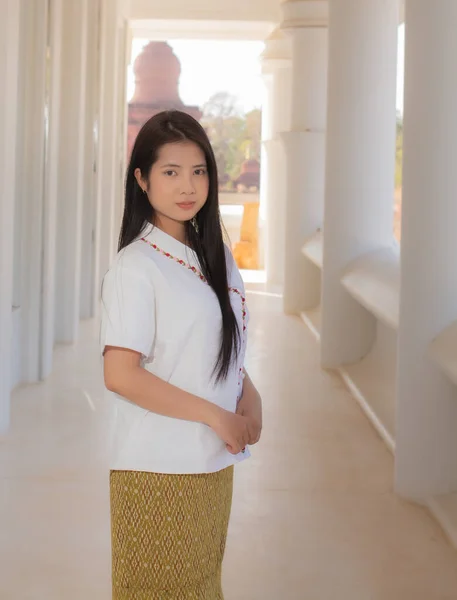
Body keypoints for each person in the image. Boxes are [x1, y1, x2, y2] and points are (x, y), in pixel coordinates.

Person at [100, 109, 263, 599]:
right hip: (158, 468)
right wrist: (217, 415)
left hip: (210, 461)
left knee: (201, 588)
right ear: (142, 179)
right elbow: (120, 374)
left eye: (198, 171)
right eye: (170, 172)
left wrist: (248, 394)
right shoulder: (136, 267)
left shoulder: (212, 252)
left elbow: (216, 339)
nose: (187, 186)